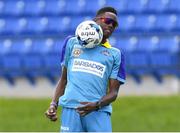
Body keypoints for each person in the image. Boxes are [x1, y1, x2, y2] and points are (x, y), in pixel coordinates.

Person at [45, 6, 126, 132]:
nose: (110, 25)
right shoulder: (71, 43)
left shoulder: (115, 54)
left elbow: (113, 93)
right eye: (107, 21)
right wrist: (53, 104)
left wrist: (96, 105)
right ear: (95, 21)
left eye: (114, 24)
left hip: (98, 112)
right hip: (71, 109)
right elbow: (63, 79)